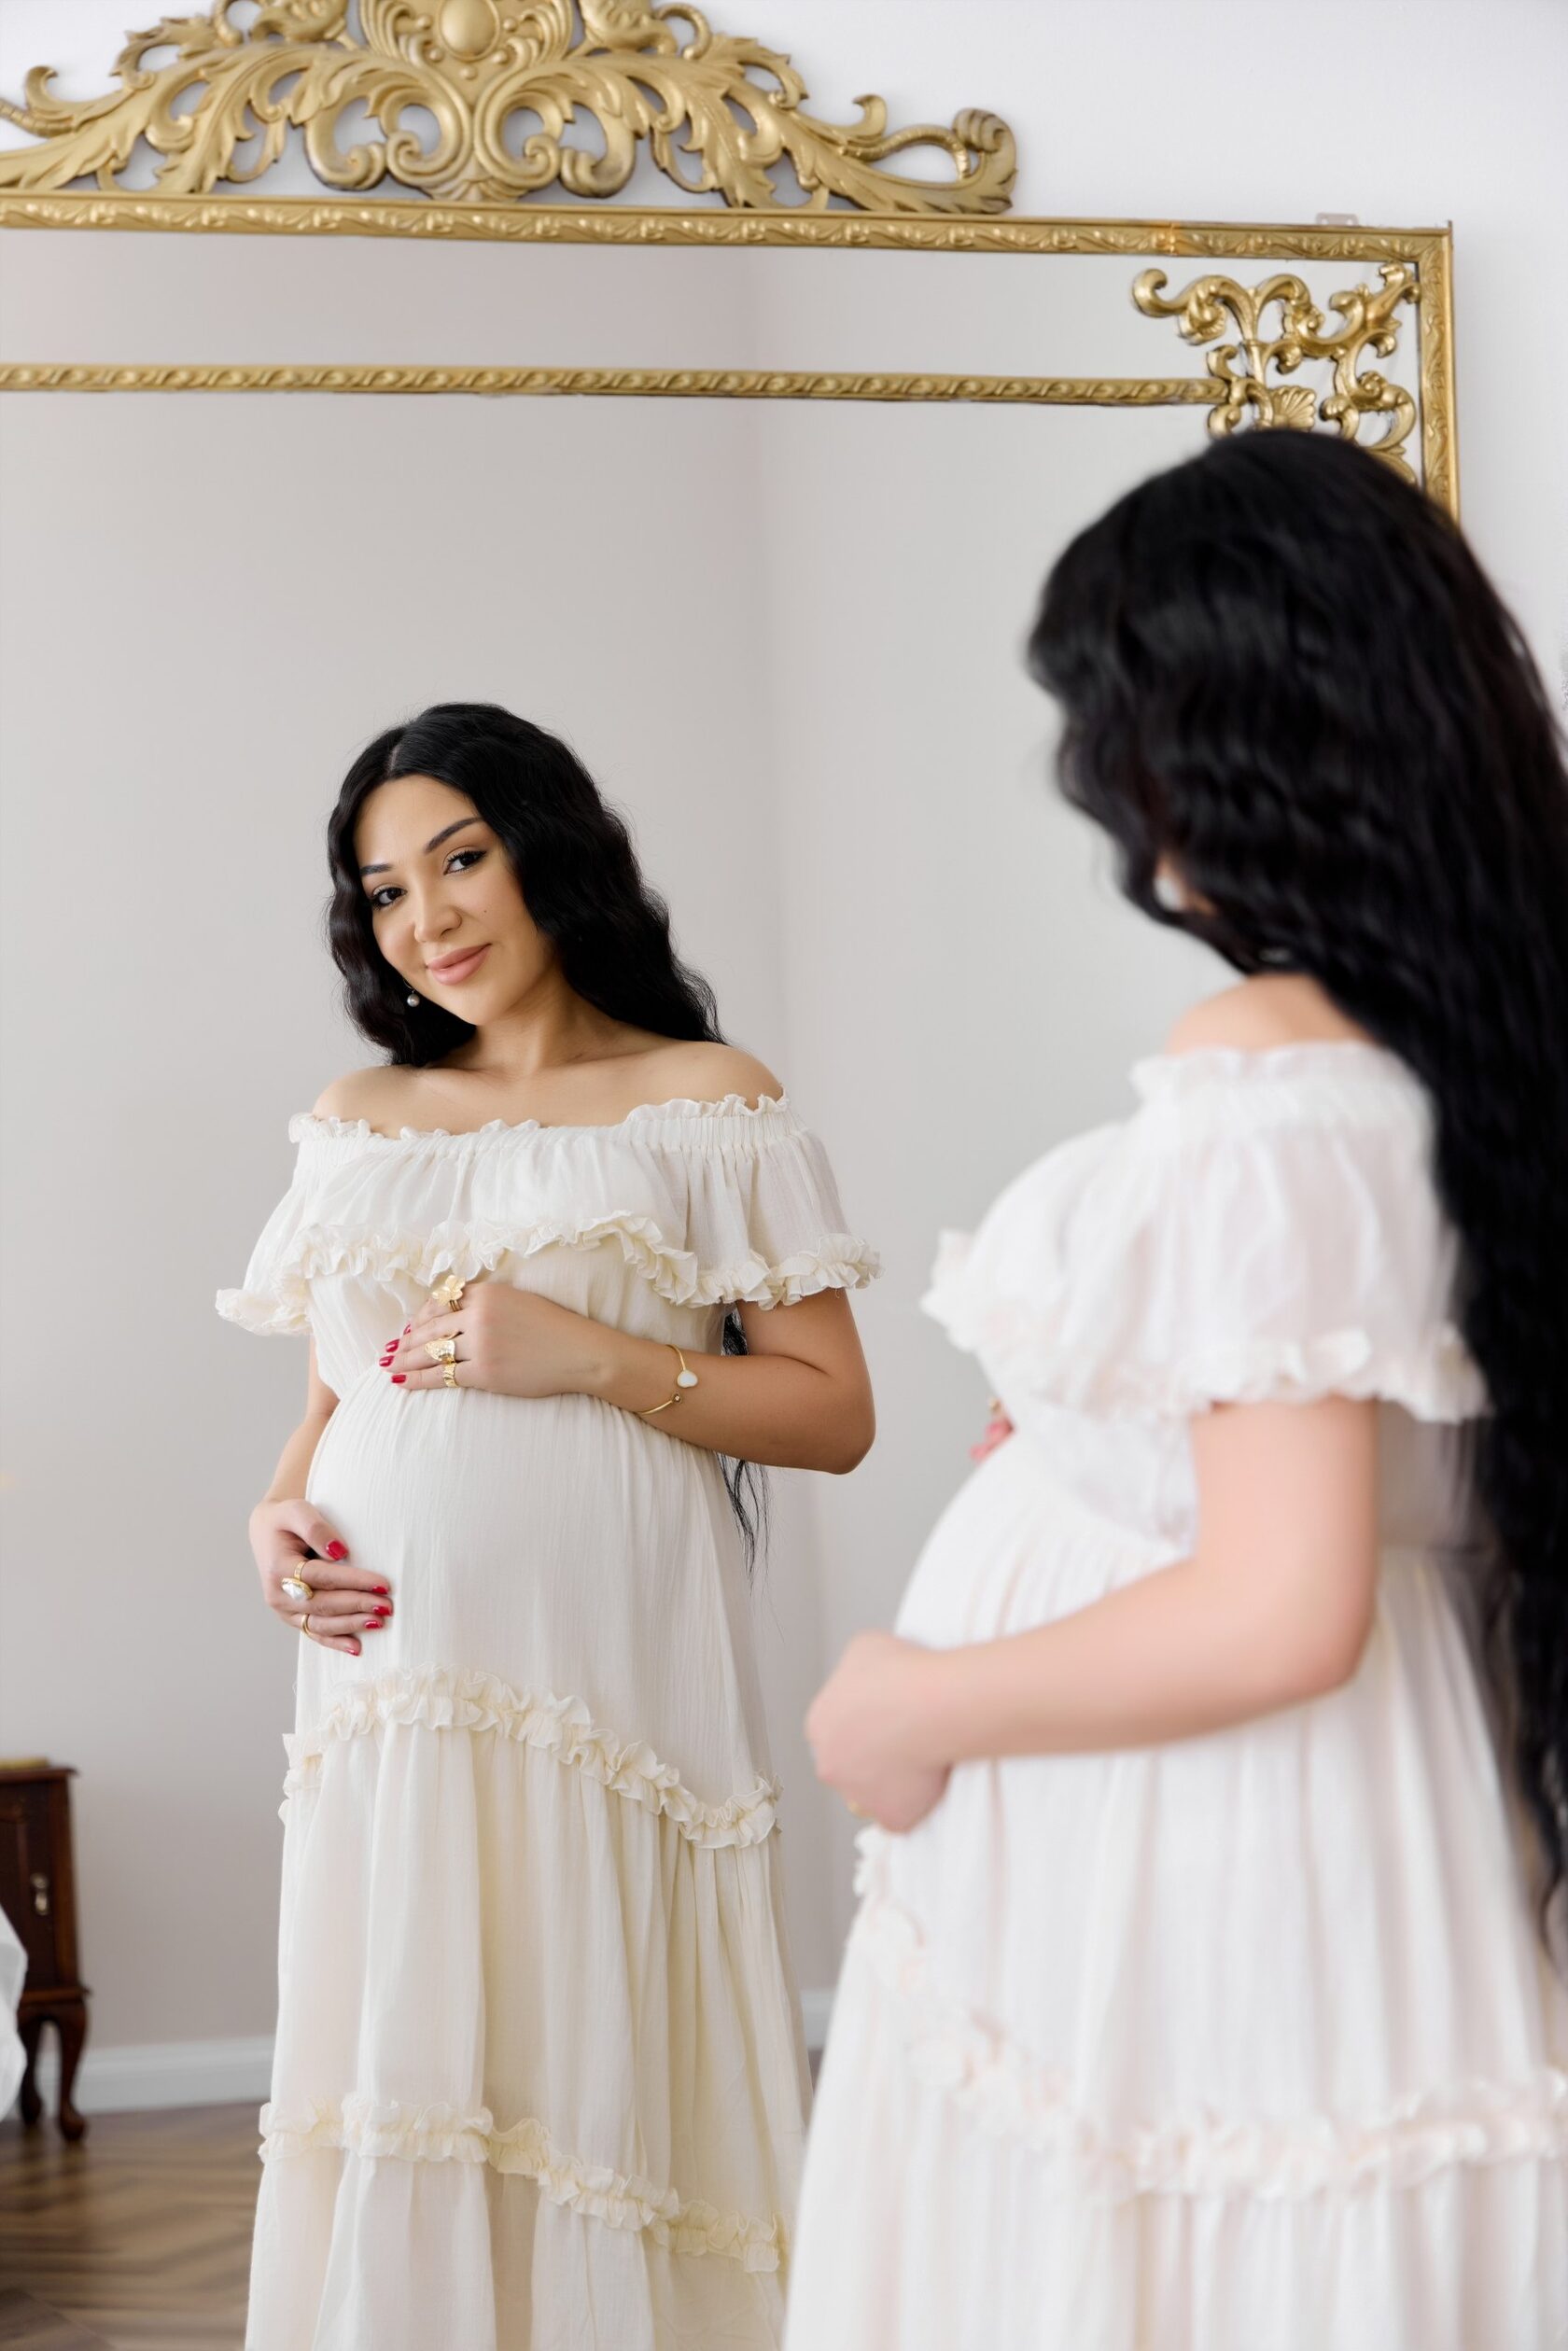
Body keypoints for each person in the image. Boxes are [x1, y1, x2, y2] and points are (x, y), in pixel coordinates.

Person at [787, 432, 1568, 2350]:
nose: (1125, 819)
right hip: (1355, 1821)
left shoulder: (1272, 1068)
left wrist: (906, 1705)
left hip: (1213, 1851)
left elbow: (1278, 1605)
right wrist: (1096, 1428)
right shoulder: (1489, 1033)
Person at [217, 704, 877, 2351]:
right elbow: (335, 1392)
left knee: (597, 2039)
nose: (425, 920)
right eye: (384, 892)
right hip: (393, 1685)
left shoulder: (704, 1101)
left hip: (610, 1678)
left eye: (460, 861)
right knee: (418, 2035)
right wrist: (278, 1512)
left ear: (550, 852)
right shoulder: (360, 1116)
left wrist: (588, 1356)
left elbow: (831, 1414)